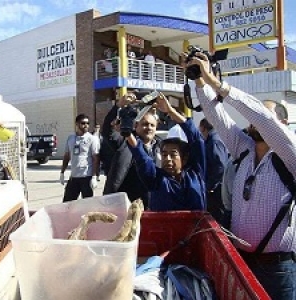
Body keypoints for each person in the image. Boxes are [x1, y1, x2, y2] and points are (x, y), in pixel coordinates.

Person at [187, 52, 296, 299]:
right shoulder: (244, 149)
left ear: (284, 124)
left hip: (277, 269)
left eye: (264, 118)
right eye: (253, 121)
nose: (255, 123)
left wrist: (218, 83)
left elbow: (262, 117)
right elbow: (217, 117)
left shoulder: (291, 156)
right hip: (240, 261)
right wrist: (200, 82)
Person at [125, 93, 206, 211]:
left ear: (184, 158)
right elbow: (141, 157)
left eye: (173, 154)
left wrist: (170, 110)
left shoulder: (195, 174)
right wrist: (128, 133)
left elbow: (196, 138)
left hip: (197, 229)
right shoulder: (156, 178)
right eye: (164, 154)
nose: (167, 159)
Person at [102, 93, 162, 209]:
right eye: (144, 124)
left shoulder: (162, 146)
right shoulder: (125, 142)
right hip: (127, 206)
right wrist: (119, 105)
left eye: (152, 125)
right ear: (136, 126)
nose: (148, 127)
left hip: (153, 205)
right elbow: (108, 132)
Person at [59, 114, 100, 202]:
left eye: (88, 123)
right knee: (67, 204)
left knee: (88, 205)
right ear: (77, 124)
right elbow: (67, 156)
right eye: (83, 123)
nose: (86, 125)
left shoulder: (92, 139)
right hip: (74, 177)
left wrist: (94, 176)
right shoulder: (71, 138)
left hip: (86, 177)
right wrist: (62, 172)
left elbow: (95, 159)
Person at [198, 117, 229, 226]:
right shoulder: (214, 139)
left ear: (203, 128)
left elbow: (220, 166)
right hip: (217, 186)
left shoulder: (214, 141)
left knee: (217, 219)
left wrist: (210, 186)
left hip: (217, 189)